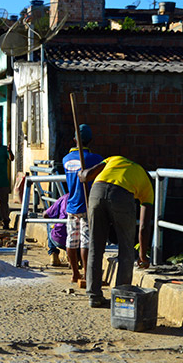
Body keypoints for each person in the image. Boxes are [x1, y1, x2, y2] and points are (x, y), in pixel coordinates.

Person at [79, 156, 154, 308]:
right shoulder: (147, 185)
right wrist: (142, 256)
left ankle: (94, 296)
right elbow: (144, 226)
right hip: (122, 196)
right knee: (126, 249)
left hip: (97, 191)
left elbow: (86, 176)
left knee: (95, 245)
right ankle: (121, 298)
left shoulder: (114, 159)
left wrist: (81, 174)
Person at [62, 124, 104, 283]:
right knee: (85, 241)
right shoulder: (96, 159)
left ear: (74, 139)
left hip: (72, 204)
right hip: (87, 204)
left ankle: (74, 273)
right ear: (91, 140)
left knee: (71, 240)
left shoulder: (66, 159)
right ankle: (86, 273)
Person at [44, 193, 69, 266]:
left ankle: (53, 254)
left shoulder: (65, 197)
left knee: (50, 223)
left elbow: (46, 215)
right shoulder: (89, 197)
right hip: (81, 241)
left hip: (60, 239)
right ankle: (75, 258)